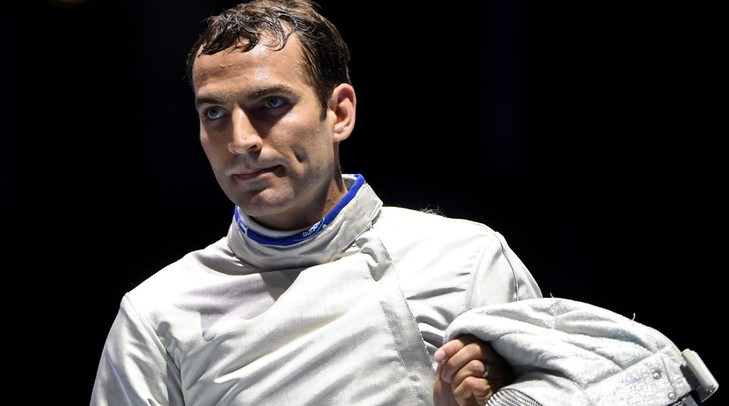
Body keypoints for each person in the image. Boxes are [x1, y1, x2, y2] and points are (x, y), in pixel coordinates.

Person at [90, 1, 717, 405]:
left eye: (270, 104)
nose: (241, 141)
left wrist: (500, 398)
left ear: (339, 112)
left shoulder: (465, 259)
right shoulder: (158, 313)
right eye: (213, 114)